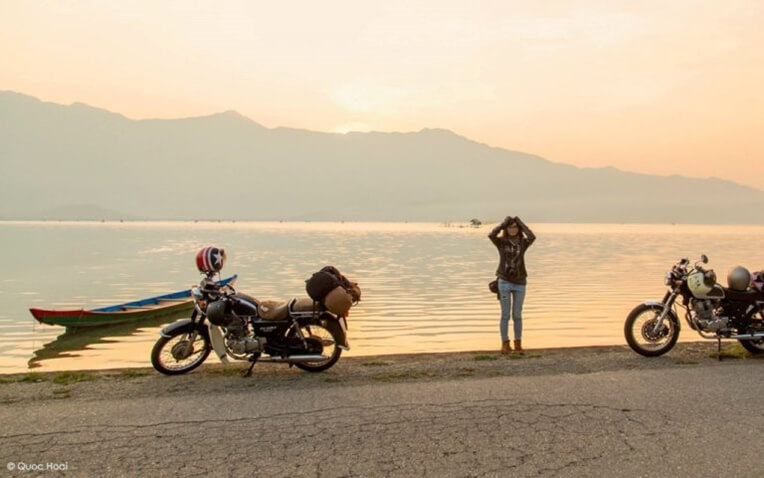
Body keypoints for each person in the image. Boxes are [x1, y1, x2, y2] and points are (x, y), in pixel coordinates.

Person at [488, 215, 536, 355]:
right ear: (506, 229)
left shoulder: (523, 242)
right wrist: (503, 223)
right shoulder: (501, 242)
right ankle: (505, 344)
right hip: (504, 282)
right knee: (505, 315)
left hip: (520, 283)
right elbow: (491, 235)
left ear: (518, 228)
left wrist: (520, 222)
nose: (512, 229)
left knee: (517, 315)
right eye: (510, 227)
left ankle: (518, 344)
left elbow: (532, 236)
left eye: (515, 227)